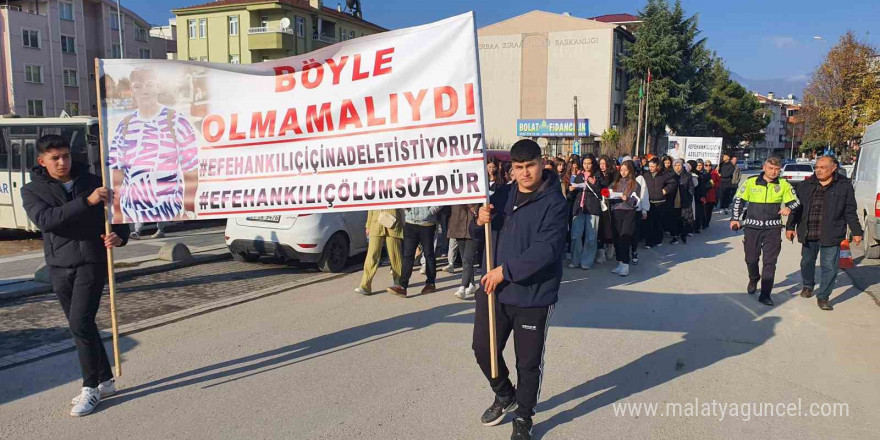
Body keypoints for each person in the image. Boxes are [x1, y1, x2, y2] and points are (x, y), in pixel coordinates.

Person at [21, 134, 130, 417]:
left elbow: (118, 215)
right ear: (42, 161)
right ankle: (106, 380)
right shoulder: (32, 190)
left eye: (66, 156)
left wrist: (119, 236)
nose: (62, 162)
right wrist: (87, 202)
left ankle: (90, 388)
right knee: (83, 326)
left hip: (92, 261)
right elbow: (46, 220)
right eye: (55, 158)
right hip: (59, 265)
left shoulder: (94, 181)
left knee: (80, 323)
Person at [474, 139, 568, 440]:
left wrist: (506, 271)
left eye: (530, 166)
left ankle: (524, 416)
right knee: (483, 349)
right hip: (495, 291)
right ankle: (504, 394)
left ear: (542, 163)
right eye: (518, 167)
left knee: (527, 363)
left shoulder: (555, 203)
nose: (525, 173)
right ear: (511, 169)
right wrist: (481, 220)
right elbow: (484, 236)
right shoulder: (502, 195)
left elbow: (546, 250)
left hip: (533, 295)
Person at [108, 67, 199, 224]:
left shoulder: (176, 121)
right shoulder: (124, 126)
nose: (145, 91)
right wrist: (117, 212)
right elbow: (117, 174)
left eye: (149, 85)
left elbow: (190, 171)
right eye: (138, 86)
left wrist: (189, 208)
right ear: (132, 90)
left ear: (157, 87)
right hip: (132, 213)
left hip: (170, 212)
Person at [786, 157, 863, 311]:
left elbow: (850, 210)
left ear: (833, 168)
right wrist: (790, 226)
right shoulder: (806, 185)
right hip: (809, 231)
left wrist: (856, 231)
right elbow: (796, 207)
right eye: (817, 167)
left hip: (832, 232)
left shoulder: (844, 185)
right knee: (807, 262)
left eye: (822, 167)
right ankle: (808, 285)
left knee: (830, 267)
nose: (818, 170)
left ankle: (823, 296)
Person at [731, 157, 800, 306]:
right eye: (771, 168)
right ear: (764, 167)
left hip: (773, 229)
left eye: (777, 169)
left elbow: (796, 201)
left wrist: (789, 208)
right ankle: (754, 278)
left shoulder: (783, 184)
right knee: (751, 259)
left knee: (770, 262)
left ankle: (765, 294)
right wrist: (734, 218)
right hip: (752, 228)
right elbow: (739, 200)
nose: (774, 172)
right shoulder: (751, 181)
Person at [388, 207, 443, 297]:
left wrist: (430, 211)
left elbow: (441, 196)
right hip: (410, 222)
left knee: (428, 254)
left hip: (427, 223)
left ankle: (430, 283)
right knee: (407, 256)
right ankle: (402, 286)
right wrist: (405, 208)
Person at [356, 209, 404, 295]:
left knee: (395, 255)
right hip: (376, 223)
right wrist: (368, 225)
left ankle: (398, 283)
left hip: (393, 222)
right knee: (372, 255)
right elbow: (371, 205)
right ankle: (365, 285)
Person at [607, 160, 642, 276]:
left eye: (626, 170)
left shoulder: (635, 184)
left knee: (625, 237)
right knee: (616, 237)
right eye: (621, 170)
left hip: (629, 212)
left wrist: (626, 198)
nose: (623, 172)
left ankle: (626, 264)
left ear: (630, 170)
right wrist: (607, 194)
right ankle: (620, 262)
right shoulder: (616, 182)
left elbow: (635, 202)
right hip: (616, 210)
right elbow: (608, 192)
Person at [568, 156, 602, 269]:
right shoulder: (579, 176)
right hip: (579, 208)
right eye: (585, 163)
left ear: (593, 164)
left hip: (592, 208)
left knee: (591, 237)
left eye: (589, 163)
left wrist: (594, 184)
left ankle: (586, 262)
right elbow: (572, 194)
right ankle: (575, 260)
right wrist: (571, 190)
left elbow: (604, 192)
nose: (586, 166)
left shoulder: (598, 175)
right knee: (576, 235)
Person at [641, 157, 677, 248]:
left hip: (660, 202)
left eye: (653, 166)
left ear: (658, 166)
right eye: (649, 166)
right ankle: (648, 242)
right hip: (649, 202)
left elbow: (672, 183)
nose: (651, 168)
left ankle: (658, 240)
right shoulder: (646, 175)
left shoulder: (664, 175)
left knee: (658, 223)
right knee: (649, 223)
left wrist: (665, 190)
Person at [449, 203, 482, 299]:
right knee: (465, 259)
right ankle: (472, 284)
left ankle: (462, 287)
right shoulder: (455, 190)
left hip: (474, 225)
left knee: (467, 259)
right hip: (458, 225)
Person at [670, 159, 694, 244]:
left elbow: (691, 187)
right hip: (673, 200)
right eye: (675, 165)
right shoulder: (671, 175)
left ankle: (683, 234)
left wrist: (689, 197)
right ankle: (675, 236)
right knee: (674, 219)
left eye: (679, 165)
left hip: (684, 200)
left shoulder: (687, 176)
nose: (677, 167)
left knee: (684, 218)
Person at [704, 159, 721, 229]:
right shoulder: (702, 173)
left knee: (709, 210)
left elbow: (719, 182)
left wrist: (714, 185)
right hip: (704, 194)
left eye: (710, 165)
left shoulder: (714, 173)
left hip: (712, 195)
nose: (708, 166)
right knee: (703, 210)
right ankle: (702, 222)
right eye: (706, 165)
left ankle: (707, 223)